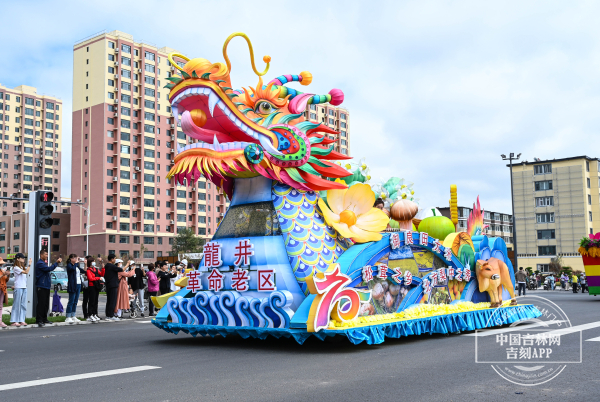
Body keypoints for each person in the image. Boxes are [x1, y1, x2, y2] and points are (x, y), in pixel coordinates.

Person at [35, 250, 62, 327]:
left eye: (47, 254)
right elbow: (49, 269)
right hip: (41, 286)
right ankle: (39, 320)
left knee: (46, 303)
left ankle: (44, 318)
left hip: (46, 286)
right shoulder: (40, 263)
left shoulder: (44, 263)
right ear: (41, 255)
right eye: (46, 254)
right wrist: (56, 263)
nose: (47, 256)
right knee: (41, 303)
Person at [9, 254, 33, 327]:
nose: (23, 259)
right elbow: (26, 272)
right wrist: (29, 264)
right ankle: (14, 320)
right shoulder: (16, 268)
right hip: (18, 288)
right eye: (22, 258)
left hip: (24, 287)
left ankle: (21, 320)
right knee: (17, 304)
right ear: (18, 259)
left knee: (23, 305)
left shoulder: (22, 267)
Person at [103, 254, 122, 320]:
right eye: (114, 258)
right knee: (113, 300)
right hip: (113, 285)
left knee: (109, 300)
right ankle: (111, 315)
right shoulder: (112, 266)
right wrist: (127, 264)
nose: (115, 260)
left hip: (109, 285)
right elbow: (121, 269)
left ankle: (108, 315)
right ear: (111, 259)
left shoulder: (107, 266)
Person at [65, 254, 82, 323]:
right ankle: (68, 316)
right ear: (71, 259)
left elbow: (83, 271)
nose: (76, 259)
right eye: (74, 258)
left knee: (75, 301)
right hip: (72, 284)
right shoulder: (69, 265)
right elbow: (72, 269)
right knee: (71, 301)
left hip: (78, 284)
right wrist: (76, 263)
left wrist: (85, 264)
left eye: (76, 258)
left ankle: (73, 315)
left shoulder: (76, 266)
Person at [85, 257, 103, 321]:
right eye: (93, 261)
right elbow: (90, 278)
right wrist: (98, 278)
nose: (94, 262)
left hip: (96, 286)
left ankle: (94, 313)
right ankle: (90, 314)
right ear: (90, 262)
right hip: (91, 286)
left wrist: (102, 265)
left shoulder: (96, 269)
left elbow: (102, 274)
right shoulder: (88, 270)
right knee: (91, 301)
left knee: (96, 301)